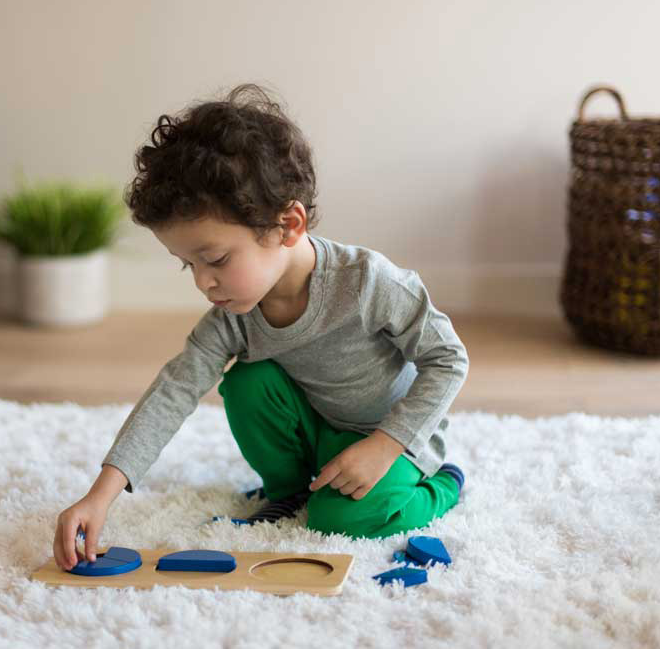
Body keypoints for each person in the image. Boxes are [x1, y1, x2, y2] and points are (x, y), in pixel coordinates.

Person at [53, 83, 469, 571]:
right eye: (189, 266)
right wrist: (101, 494)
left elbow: (448, 358)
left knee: (341, 520)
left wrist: (386, 445)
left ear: (287, 225)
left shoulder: (367, 282)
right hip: (320, 430)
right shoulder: (236, 314)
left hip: (392, 435)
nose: (205, 283)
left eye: (216, 259)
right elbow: (175, 389)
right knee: (250, 382)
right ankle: (290, 491)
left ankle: (445, 484)